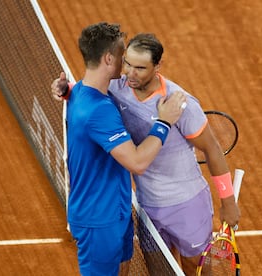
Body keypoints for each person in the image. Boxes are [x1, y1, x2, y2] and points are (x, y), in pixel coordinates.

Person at [53, 33, 240, 275]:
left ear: (157, 67)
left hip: (187, 204)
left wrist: (228, 202)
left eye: (140, 68)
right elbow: (86, 92)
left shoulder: (179, 103)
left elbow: (212, 149)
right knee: (159, 271)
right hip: (148, 208)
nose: (130, 73)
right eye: (128, 64)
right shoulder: (116, 88)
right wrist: (65, 90)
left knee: (197, 268)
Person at [61, 23, 186, 276]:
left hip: (116, 211)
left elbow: (74, 93)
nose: (127, 65)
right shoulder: (98, 111)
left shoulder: (82, 92)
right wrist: (164, 122)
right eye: (122, 57)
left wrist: (64, 90)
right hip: (99, 221)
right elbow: (137, 163)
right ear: (109, 58)